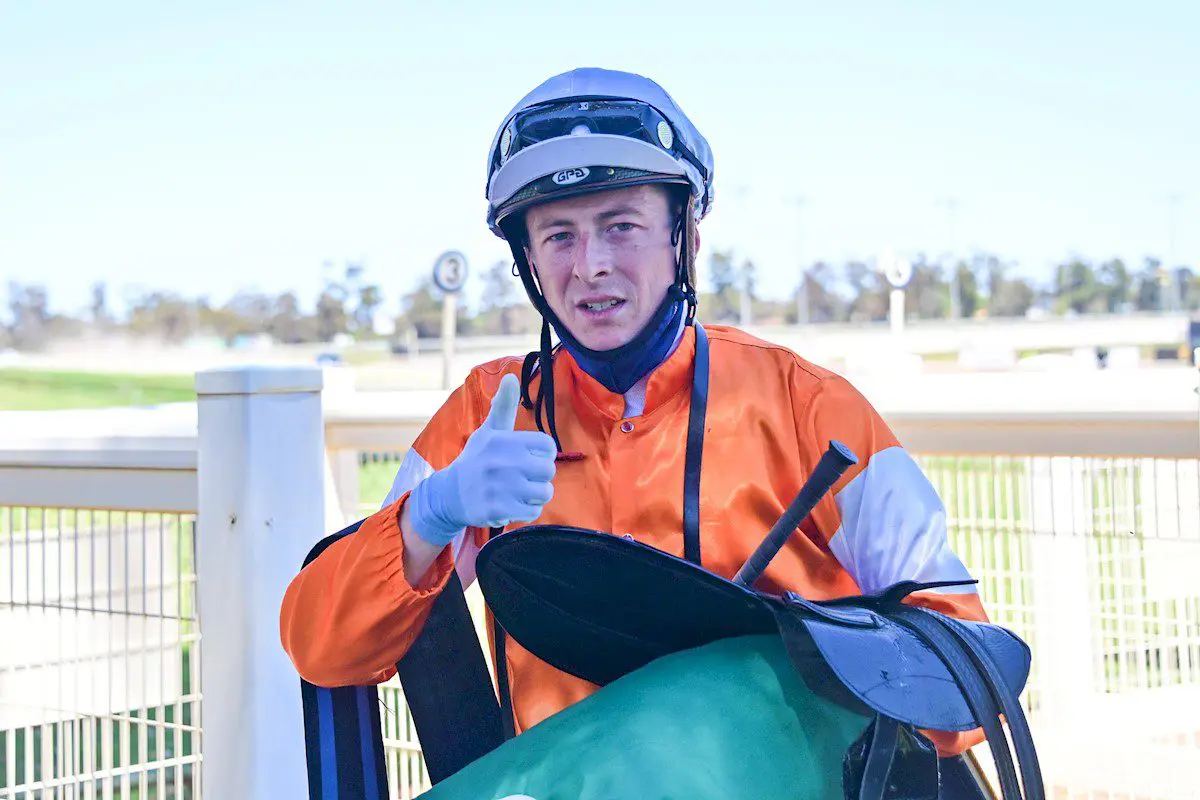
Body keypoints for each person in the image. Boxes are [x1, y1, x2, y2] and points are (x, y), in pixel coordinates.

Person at [279, 67, 990, 757]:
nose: (589, 264)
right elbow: (322, 650)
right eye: (558, 235)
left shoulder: (810, 406)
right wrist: (431, 513)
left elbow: (968, 672)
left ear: (685, 237)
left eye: (620, 225)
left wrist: (793, 655)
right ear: (527, 259)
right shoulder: (486, 414)